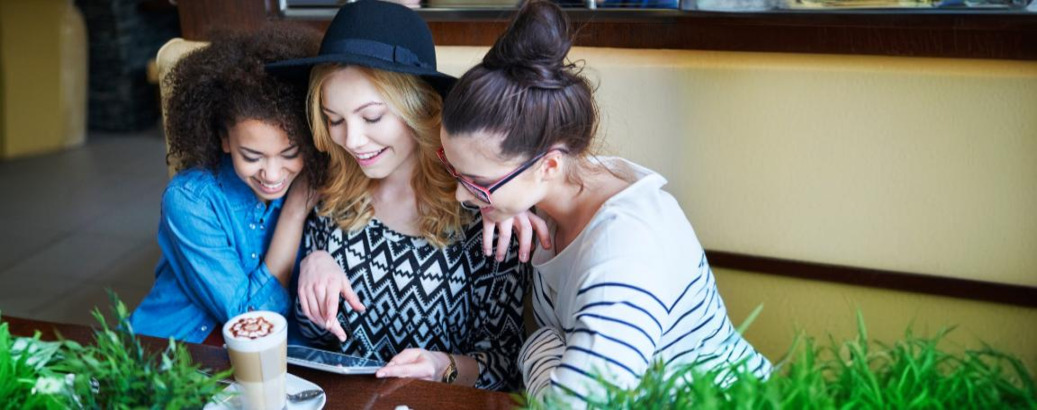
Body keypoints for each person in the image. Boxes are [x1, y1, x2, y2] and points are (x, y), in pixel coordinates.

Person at [438, 0, 772, 402]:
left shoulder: (624, 247)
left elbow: (574, 405)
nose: (462, 195)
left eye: (478, 182)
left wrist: (539, 344)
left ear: (548, 165)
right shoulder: (562, 189)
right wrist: (501, 199)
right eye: (453, 171)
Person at [266, 0, 537, 391]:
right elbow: (319, 338)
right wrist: (312, 266)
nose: (352, 141)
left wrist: (440, 366)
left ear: (420, 109)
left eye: (372, 117)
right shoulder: (334, 195)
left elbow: (505, 365)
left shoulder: (485, 216)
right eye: (334, 120)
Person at [128, 25, 327, 345]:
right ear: (224, 139)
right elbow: (250, 320)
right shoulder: (190, 201)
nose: (273, 174)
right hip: (170, 352)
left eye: (289, 153)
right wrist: (293, 213)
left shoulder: (321, 180)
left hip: (275, 362)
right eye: (252, 156)